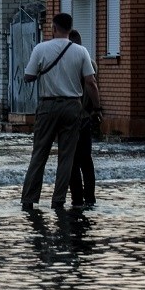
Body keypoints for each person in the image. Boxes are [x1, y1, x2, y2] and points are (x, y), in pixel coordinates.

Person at [21, 13, 101, 211]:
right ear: (70, 28)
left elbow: (28, 77)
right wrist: (97, 108)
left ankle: (29, 200)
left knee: (39, 153)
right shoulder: (81, 51)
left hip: (47, 106)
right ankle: (58, 201)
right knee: (67, 156)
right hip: (73, 107)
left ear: (53, 28)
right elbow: (91, 83)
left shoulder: (41, 49)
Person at [67, 29, 99, 208]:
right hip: (86, 116)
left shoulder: (66, 64)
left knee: (72, 160)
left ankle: (76, 199)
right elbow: (92, 86)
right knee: (86, 160)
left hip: (70, 118)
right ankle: (90, 198)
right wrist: (97, 109)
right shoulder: (91, 63)